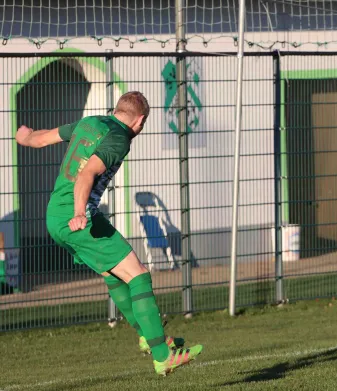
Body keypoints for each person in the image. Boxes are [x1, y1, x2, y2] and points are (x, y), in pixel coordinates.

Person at [15, 91, 203, 376]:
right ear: (139, 121)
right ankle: (162, 355)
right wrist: (79, 212)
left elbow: (40, 139)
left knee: (114, 275)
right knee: (138, 274)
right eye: (143, 125)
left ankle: (149, 336)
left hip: (55, 215)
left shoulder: (89, 123)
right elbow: (86, 174)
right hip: (76, 216)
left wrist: (25, 136)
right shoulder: (119, 137)